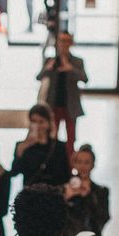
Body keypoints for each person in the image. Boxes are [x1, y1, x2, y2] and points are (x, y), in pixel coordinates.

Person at [37, 31, 88, 161]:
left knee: (71, 139)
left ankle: (70, 165)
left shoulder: (77, 61)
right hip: (53, 106)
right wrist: (48, 68)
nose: (64, 44)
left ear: (71, 43)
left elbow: (84, 78)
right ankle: (52, 162)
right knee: (52, 137)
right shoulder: (51, 61)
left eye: (66, 41)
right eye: (61, 41)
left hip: (70, 106)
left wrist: (71, 69)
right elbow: (39, 77)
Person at [63, 144, 110, 236]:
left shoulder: (101, 191)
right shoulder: (65, 189)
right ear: (74, 164)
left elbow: (104, 217)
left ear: (93, 165)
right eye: (79, 162)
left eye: (87, 162)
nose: (83, 166)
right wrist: (66, 198)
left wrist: (89, 196)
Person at [11, 103, 70, 186]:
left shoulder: (59, 147)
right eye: (33, 121)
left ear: (49, 123)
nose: (37, 126)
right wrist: (21, 150)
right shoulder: (22, 146)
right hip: (30, 194)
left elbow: (65, 175)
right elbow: (14, 172)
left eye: (41, 122)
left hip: (53, 193)